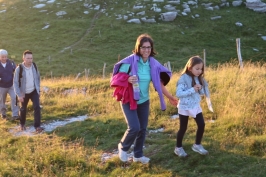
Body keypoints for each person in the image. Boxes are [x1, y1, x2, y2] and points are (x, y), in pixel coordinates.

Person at [111, 33, 178, 164]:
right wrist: (127, 78)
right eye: (143, 47)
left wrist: (170, 97)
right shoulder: (130, 61)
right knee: (134, 127)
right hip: (129, 99)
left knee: (142, 129)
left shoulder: (153, 63)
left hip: (144, 101)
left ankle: (138, 155)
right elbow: (116, 78)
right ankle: (123, 146)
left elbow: (159, 83)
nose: (146, 50)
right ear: (138, 48)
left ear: (152, 48)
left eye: (149, 47)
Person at [174, 56, 211, 157]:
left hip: (195, 105)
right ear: (190, 68)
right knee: (183, 128)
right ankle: (178, 148)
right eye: (197, 69)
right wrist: (193, 89)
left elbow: (202, 92)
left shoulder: (199, 78)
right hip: (184, 107)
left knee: (201, 124)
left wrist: (201, 88)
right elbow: (179, 93)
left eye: (201, 69)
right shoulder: (183, 78)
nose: (200, 71)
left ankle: (197, 145)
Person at [13, 50, 44, 133]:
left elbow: (38, 78)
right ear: (23, 58)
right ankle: (22, 124)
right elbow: (15, 83)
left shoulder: (34, 66)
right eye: (28, 58)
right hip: (23, 93)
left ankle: (37, 126)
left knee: (37, 107)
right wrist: (19, 95)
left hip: (34, 91)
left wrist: (38, 90)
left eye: (31, 58)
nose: (30, 60)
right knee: (23, 109)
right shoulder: (19, 69)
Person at [0, 49, 20, 120]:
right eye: (2, 57)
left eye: (5, 56)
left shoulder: (11, 62)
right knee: (2, 101)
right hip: (2, 86)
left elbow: (15, 71)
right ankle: (3, 114)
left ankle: (15, 115)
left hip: (11, 85)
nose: (4, 58)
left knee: (15, 98)